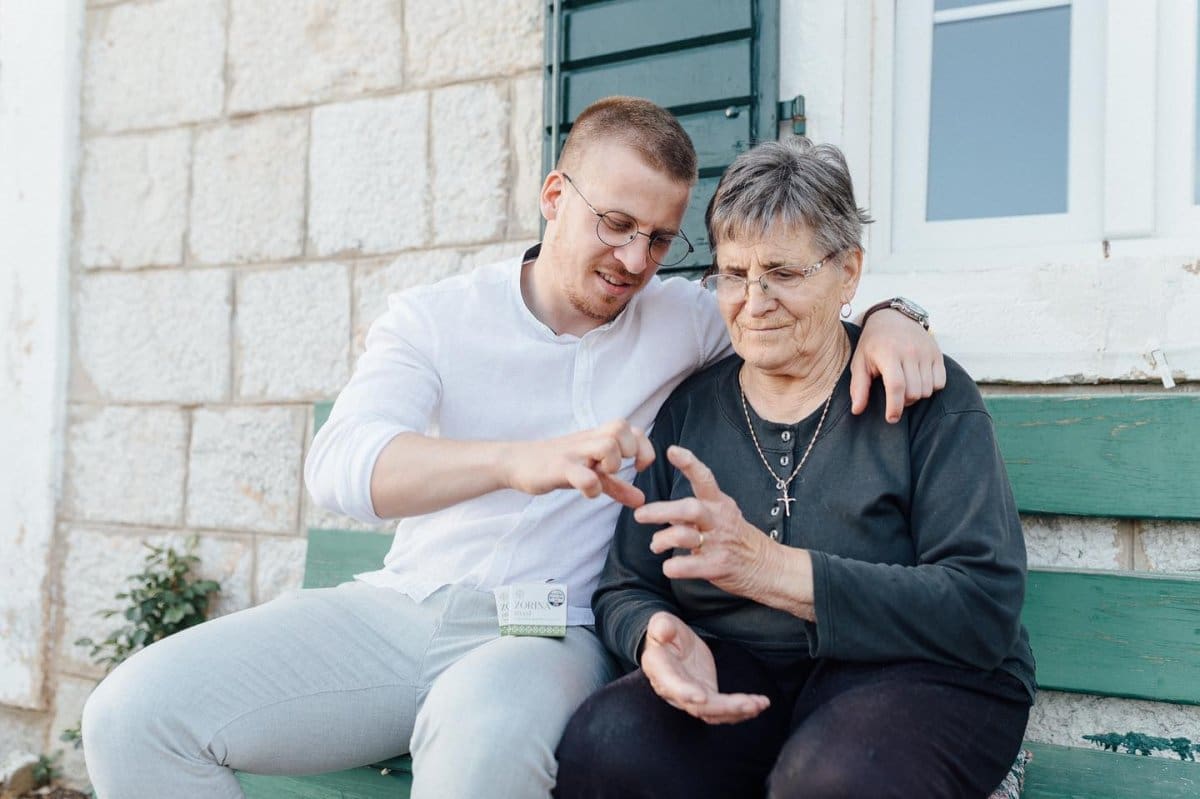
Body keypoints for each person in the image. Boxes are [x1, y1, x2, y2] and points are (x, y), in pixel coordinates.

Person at [81, 98, 943, 799]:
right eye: (614, 222)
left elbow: (795, 306)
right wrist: (514, 460)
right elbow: (343, 467)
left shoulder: (680, 319)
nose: (634, 258)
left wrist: (895, 317)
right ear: (554, 195)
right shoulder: (436, 316)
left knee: (480, 759)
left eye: (659, 237)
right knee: (133, 716)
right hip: (399, 609)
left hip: (546, 636)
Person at [554, 138, 1035, 799]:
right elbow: (626, 585)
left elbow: (981, 607)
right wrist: (652, 634)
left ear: (849, 273)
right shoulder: (693, 408)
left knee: (831, 780)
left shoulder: (926, 395)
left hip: (919, 674)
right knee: (606, 748)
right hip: (751, 675)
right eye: (733, 272)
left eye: (782, 272)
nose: (754, 301)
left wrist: (771, 568)